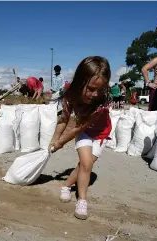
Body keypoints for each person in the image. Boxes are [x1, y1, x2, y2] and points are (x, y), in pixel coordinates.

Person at [49, 56, 112, 220]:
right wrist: (54, 139)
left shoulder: (103, 98)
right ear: (80, 81)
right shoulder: (70, 94)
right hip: (85, 133)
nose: (95, 94)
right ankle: (82, 200)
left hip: (101, 133)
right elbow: (64, 119)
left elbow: (80, 126)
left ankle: (66, 186)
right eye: (91, 88)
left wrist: (61, 143)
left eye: (100, 89)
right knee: (86, 163)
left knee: (86, 164)